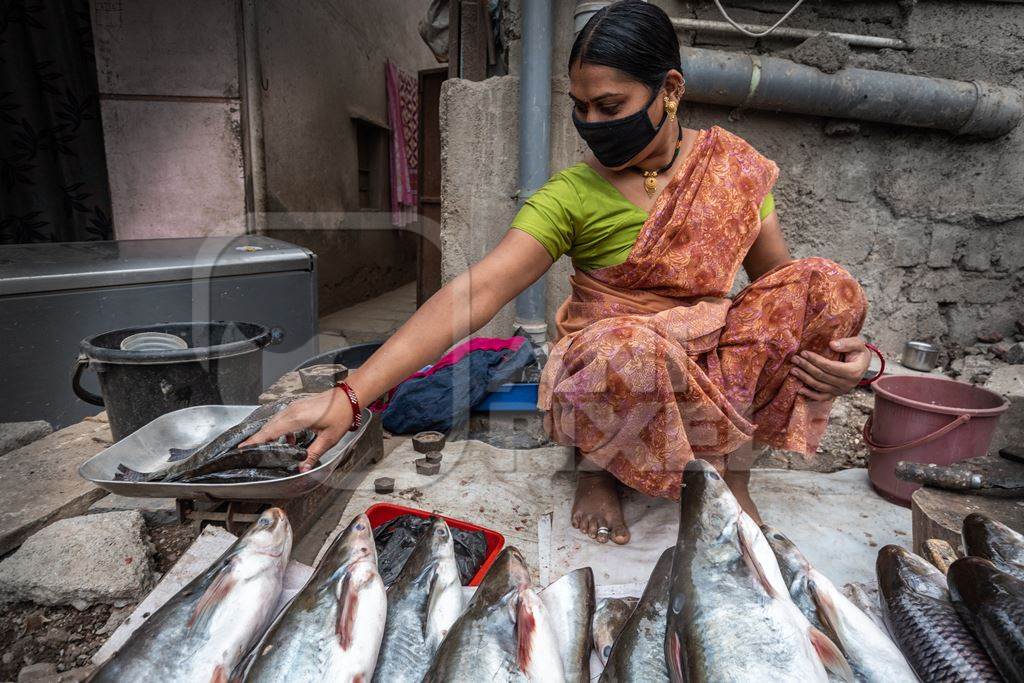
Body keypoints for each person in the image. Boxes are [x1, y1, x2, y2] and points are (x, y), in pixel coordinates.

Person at [243, 0, 871, 546]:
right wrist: (353, 393)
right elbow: (478, 290)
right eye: (580, 107)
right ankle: (596, 469)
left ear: (670, 89)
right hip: (615, 362)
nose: (592, 125)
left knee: (827, 286)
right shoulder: (571, 194)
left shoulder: (733, 170)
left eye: (610, 105)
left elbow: (780, 295)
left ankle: (734, 478)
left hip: (704, 353)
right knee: (630, 349)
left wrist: (854, 356)